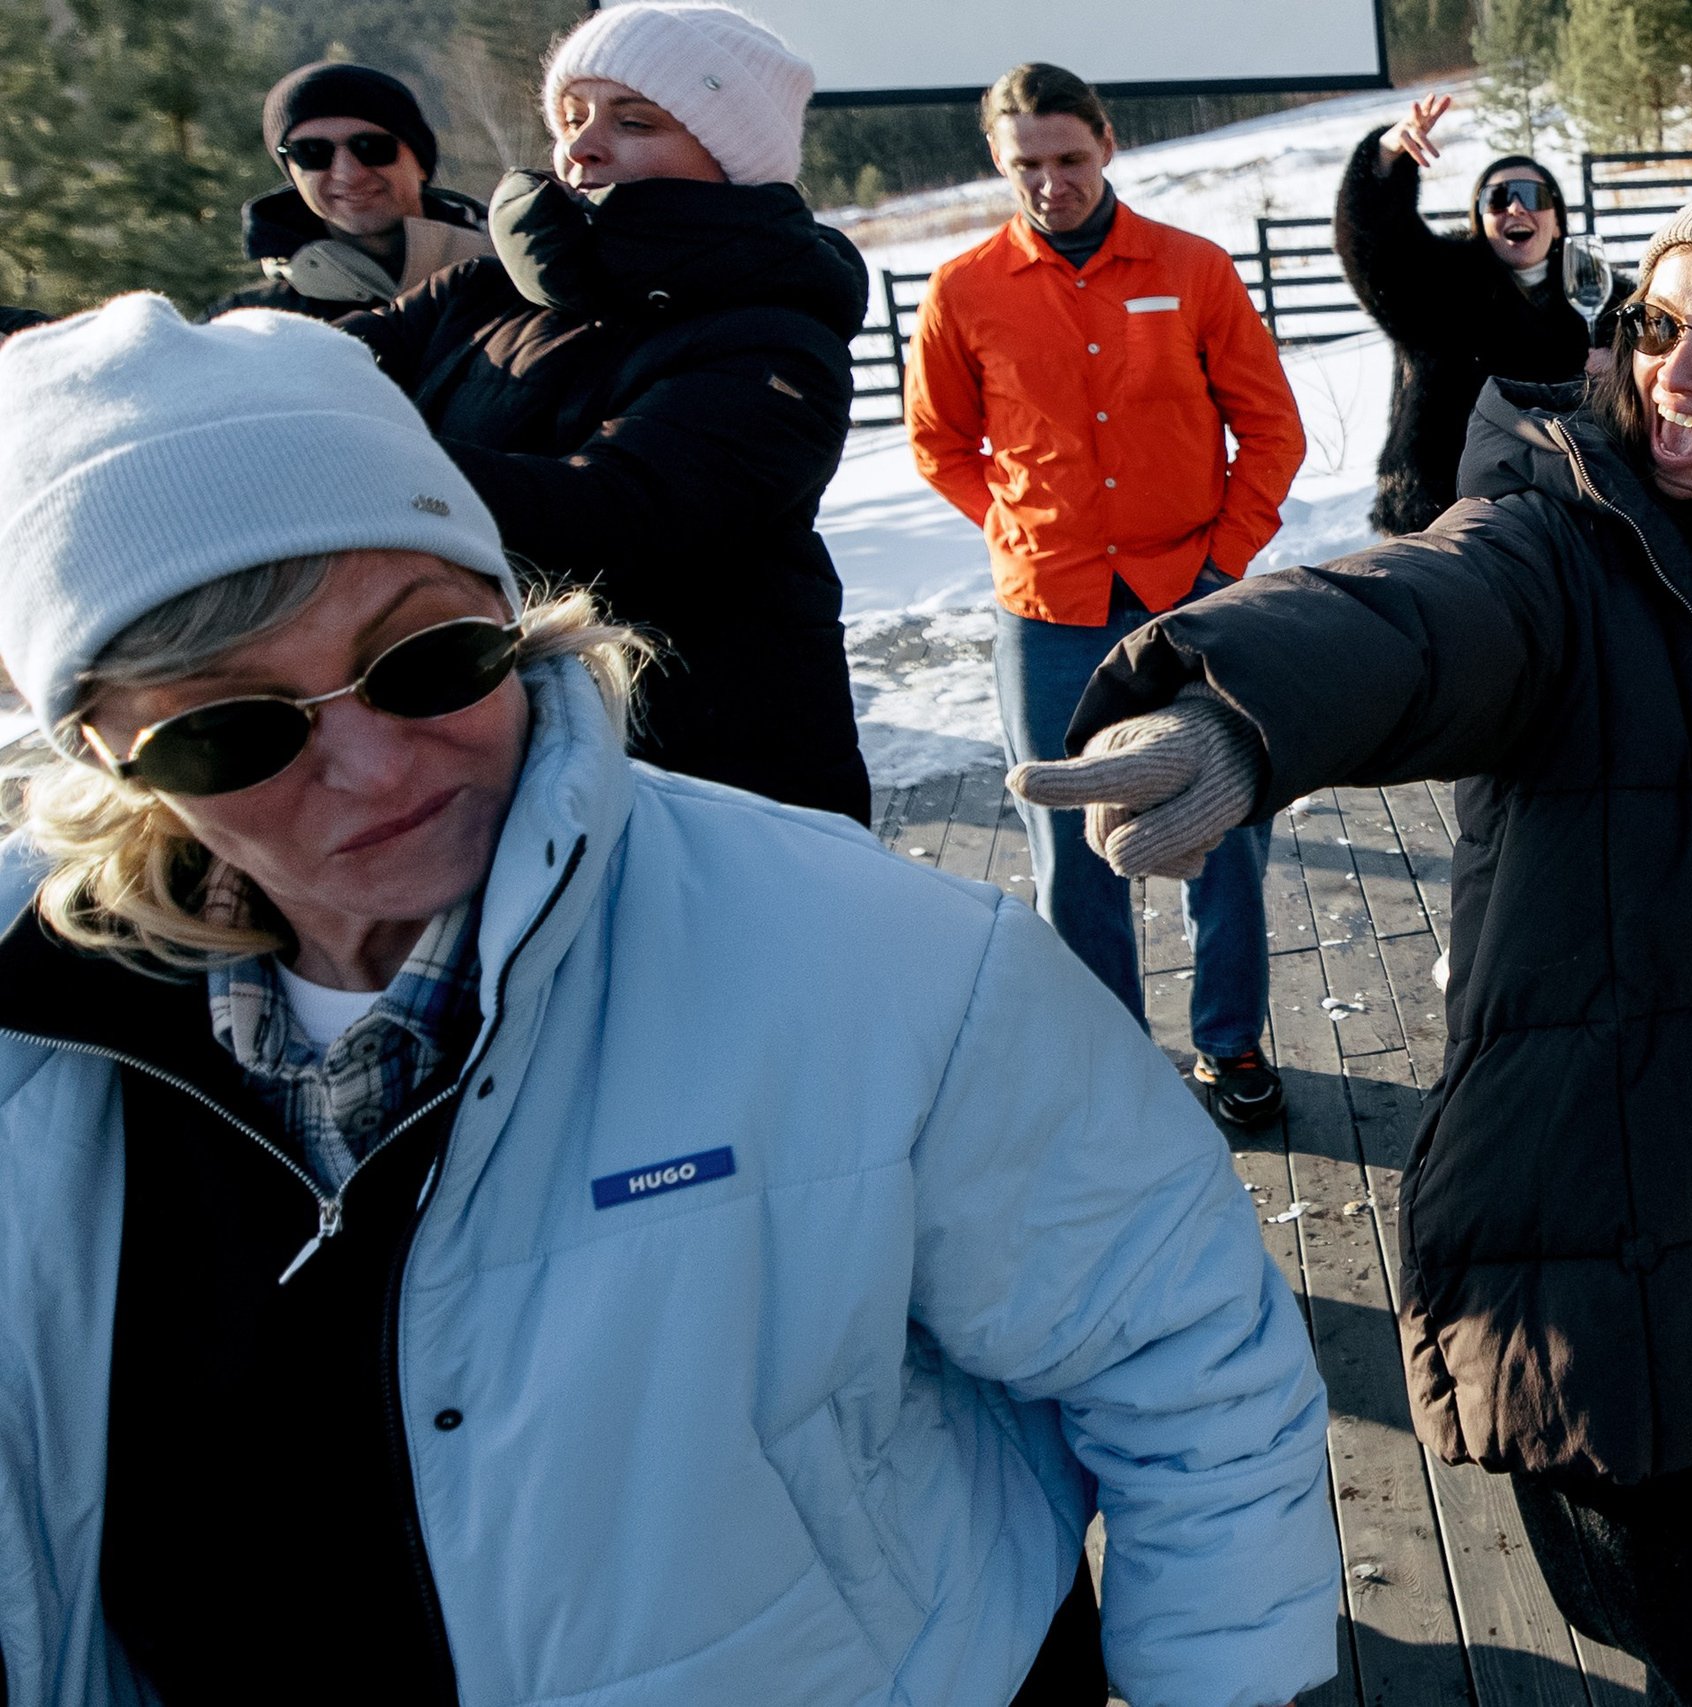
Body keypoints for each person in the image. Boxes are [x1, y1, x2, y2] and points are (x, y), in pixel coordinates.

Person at [0, 293, 1338, 1707]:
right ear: (98, 746)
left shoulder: (883, 961)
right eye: (232, 728)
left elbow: (1186, 1358)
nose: (378, 771)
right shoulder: (28, 1047)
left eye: (429, 659)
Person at [1013, 151, 1692, 1705]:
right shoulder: (1564, 534)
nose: (1669, 376)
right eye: (1650, 323)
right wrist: (1239, 707)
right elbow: (1420, 617)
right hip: (1628, 1245)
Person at [340, 3, 871, 824]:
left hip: (706, 777)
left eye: (634, 120)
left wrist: (361, 463)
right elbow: (305, 375)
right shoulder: (478, 293)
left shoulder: (778, 340)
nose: (582, 145)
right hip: (489, 757)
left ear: (730, 156)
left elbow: (615, 516)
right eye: (571, 116)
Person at [906, 63, 1306, 1127]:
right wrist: (1010, 525)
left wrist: (1224, 565)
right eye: (1026, 164)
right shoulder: (963, 290)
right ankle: (1108, 1059)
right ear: (1000, 162)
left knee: (1221, 829)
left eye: (1069, 158)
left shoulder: (1193, 268)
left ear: (1107, 144)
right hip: (1046, 612)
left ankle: (1231, 1044)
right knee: (1071, 849)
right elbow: (938, 442)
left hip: (1193, 604)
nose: (1051, 183)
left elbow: (1270, 431)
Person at [1334, 94, 1629, 535]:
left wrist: (1623, 369)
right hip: (1441, 519)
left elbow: (1668, 371)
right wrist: (1384, 159)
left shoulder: (1609, 300)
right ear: (1481, 219)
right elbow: (1375, 249)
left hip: (1566, 521)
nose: (1516, 208)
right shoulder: (1438, 286)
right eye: (1499, 199)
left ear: (1559, 220)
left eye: (1533, 195)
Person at [209, 62, 494, 320]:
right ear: (292, 173)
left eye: (371, 147)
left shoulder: (517, 276)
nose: (348, 174)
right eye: (312, 152)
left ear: (420, 162)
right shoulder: (248, 327)